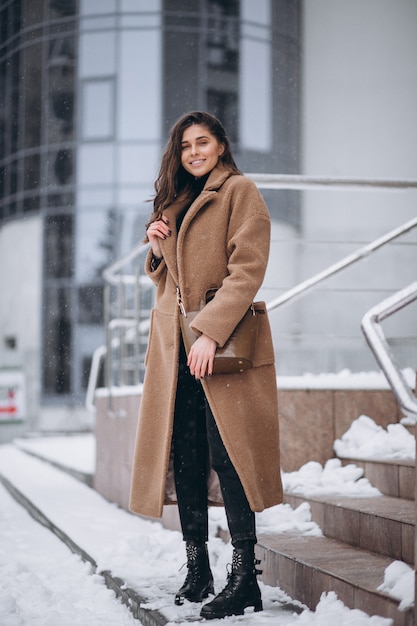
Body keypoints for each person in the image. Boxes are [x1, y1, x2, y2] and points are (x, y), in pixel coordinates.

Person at [129, 111, 283, 620]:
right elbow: (169, 283)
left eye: (203, 142)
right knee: (186, 457)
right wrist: (156, 249)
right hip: (175, 352)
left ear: (220, 146)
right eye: (186, 145)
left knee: (229, 456)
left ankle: (245, 578)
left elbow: (247, 269)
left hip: (216, 348)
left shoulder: (240, 192)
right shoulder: (175, 202)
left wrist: (210, 332)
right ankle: (198, 569)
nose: (194, 151)